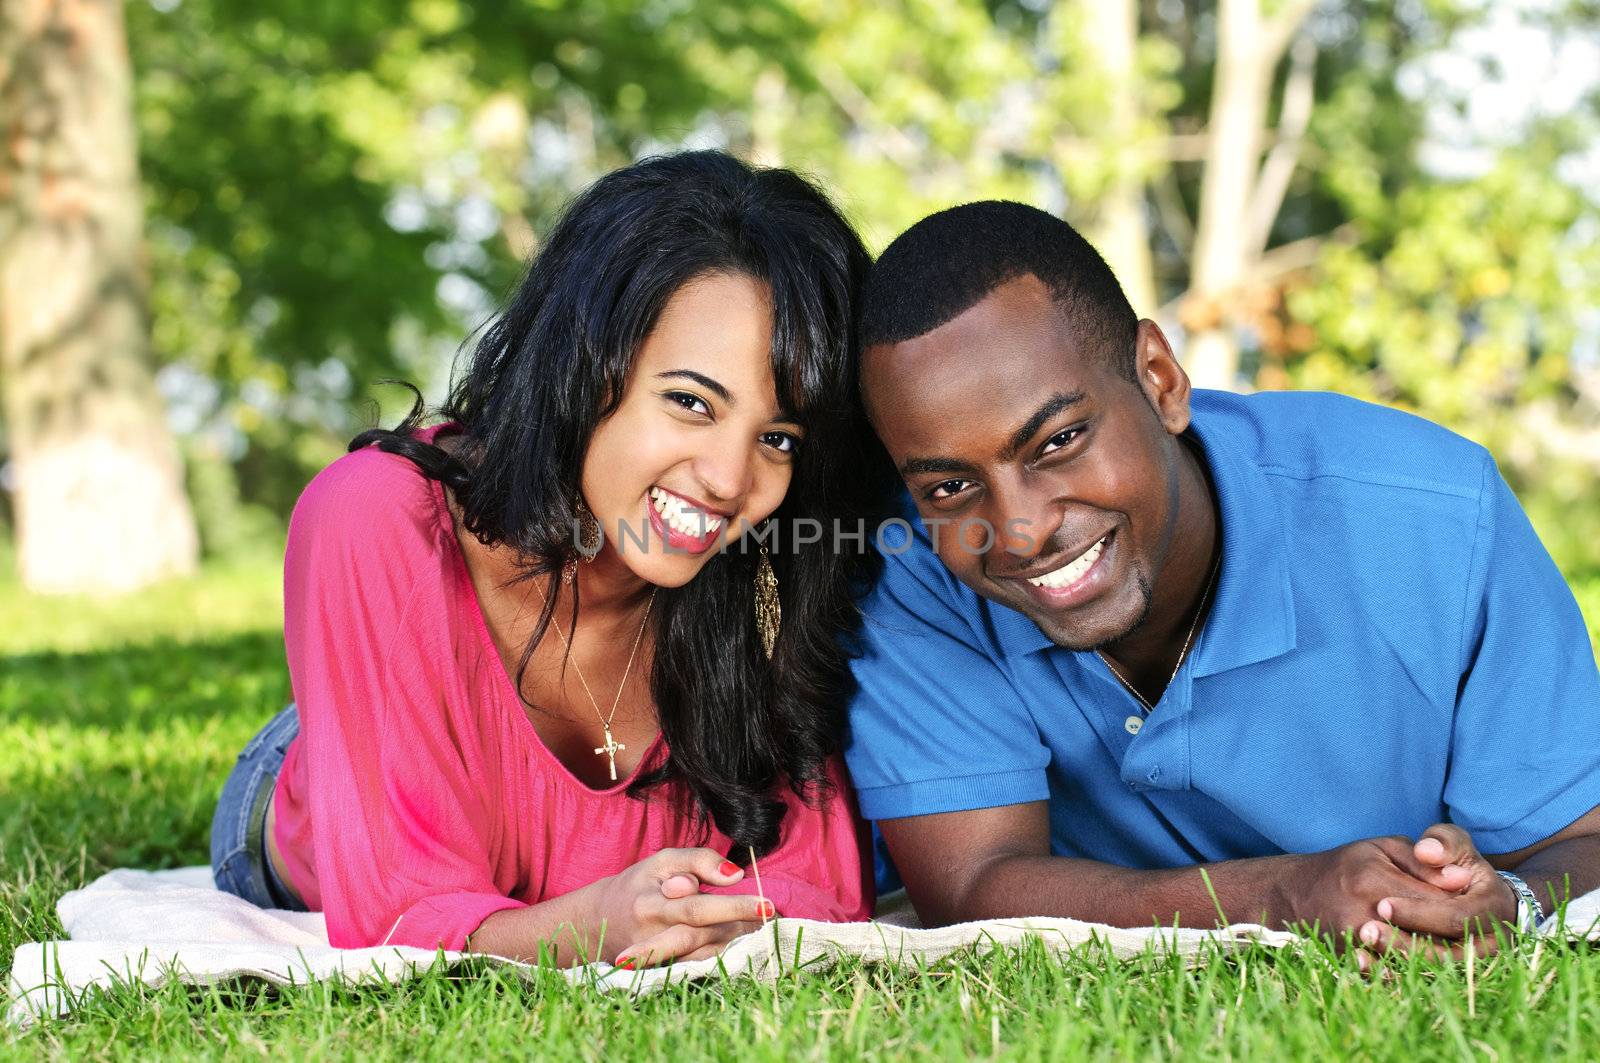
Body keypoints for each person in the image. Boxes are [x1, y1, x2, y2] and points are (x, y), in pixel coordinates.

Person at [844, 200, 1600, 958]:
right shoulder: (912, 568)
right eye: (950, 487)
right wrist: (1284, 895)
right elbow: (972, 884)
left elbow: (1584, 836)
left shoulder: (1434, 511)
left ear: (1161, 379)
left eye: (1060, 440)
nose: (1021, 528)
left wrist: (1514, 902)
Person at [209, 151, 886, 968]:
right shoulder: (376, 518)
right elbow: (399, 913)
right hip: (332, 762)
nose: (730, 479)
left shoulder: (766, 574)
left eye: (777, 438)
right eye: (689, 403)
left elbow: (822, 891)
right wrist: (596, 924)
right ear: (587, 366)